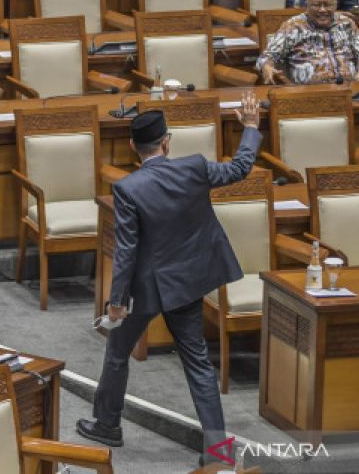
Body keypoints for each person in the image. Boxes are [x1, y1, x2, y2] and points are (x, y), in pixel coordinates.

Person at [77, 92, 262, 465]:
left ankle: (108, 425)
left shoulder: (128, 188)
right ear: (167, 142)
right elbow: (240, 168)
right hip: (189, 284)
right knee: (197, 363)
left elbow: (127, 250)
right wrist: (252, 128)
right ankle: (217, 453)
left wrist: (116, 302)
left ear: (133, 146)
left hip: (147, 289)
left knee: (117, 352)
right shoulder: (194, 167)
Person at [257, 0, 359, 85]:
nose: (322, 10)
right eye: (316, 5)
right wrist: (267, 66)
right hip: (309, 95)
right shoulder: (293, 26)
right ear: (307, 6)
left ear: (335, 5)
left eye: (327, 5)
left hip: (350, 90)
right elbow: (266, 57)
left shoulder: (347, 24)